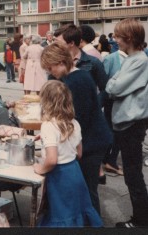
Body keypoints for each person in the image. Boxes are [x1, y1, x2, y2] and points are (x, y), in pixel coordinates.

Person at [41, 42, 112, 215]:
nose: (51, 73)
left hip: (93, 141)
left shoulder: (76, 81)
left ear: (60, 62)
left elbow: (77, 118)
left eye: (51, 68)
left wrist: (53, 133)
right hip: (91, 138)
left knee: (87, 189)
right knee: (86, 187)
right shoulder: (74, 77)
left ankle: (93, 224)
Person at [33, 80, 103, 227]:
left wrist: (40, 168)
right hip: (75, 172)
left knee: (61, 214)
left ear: (45, 102)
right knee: (75, 213)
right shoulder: (74, 123)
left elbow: (52, 160)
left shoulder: (48, 126)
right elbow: (79, 154)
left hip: (59, 177)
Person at [106, 18, 148, 228]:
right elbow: (114, 84)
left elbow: (113, 87)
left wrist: (114, 82)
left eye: (117, 36)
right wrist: (114, 82)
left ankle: (141, 221)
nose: (114, 40)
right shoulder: (131, 59)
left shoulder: (139, 60)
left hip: (131, 124)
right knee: (132, 174)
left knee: (133, 175)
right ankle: (141, 218)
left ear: (129, 38)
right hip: (128, 123)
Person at [102, 50, 127, 176]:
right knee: (113, 130)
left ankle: (109, 158)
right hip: (111, 101)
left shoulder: (136, 58)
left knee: (117, 130)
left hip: (125, 102)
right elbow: (103, 82)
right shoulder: (111, 58)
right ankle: (109, 160)